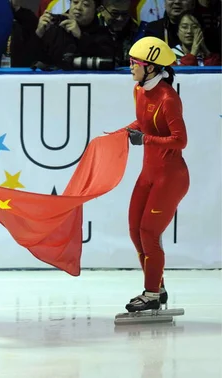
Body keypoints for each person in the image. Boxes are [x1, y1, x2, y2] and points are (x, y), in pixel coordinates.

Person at [112, 36, 189, 313]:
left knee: (149, 233)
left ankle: (151, 293)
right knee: (135, 230)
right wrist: (122, 133)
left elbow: (180, 141)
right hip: (149, 173)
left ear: (153, 68)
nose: (131, 66)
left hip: (171, 177)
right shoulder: (139, 90)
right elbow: (144, 123)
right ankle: (159, 286)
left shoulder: (169, 98)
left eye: (135, 63)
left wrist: (145, 140)